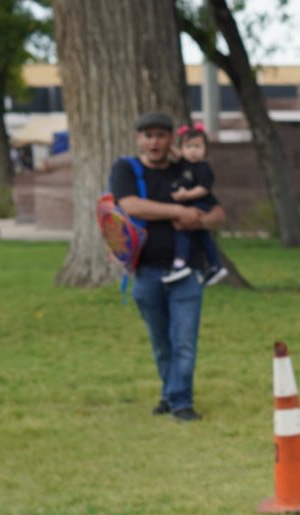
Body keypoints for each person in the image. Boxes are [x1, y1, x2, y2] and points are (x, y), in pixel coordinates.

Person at [111, 111, 226, 423]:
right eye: (148, 136)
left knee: (184, 342)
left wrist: (199, 220)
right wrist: (178, 211)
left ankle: (181, 402)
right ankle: (170, 393)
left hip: (187, 271)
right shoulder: (126, 169)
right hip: (146, 271)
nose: (154, 142)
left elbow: (218, 213)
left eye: (161, 136)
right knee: (161, 343)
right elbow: (131, 205)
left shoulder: (187, 169)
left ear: (171, 139)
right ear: (138, 139)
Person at [164, 123, 226, 286]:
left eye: (197, 147)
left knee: (183, 227)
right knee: (203, 236)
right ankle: (215, 265)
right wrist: (168, 145)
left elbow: (204, 189)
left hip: (202, 203)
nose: (193, 151)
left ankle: (180, 263)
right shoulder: (186, 163)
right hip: (192, 203)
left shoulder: (202, 167)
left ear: (205, 150)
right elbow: (178, 155)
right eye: (188, 147)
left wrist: (186, 195)